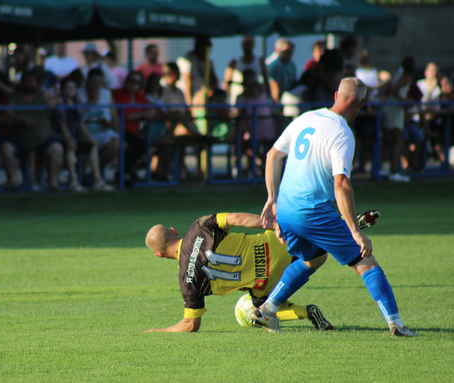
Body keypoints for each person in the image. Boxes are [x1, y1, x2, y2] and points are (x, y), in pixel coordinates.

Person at [258, 77, 418, 337]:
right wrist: (356, 231)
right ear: (362, 104)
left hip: (286, 211)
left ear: (336, 95)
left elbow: (273, 155)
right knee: (366, 261)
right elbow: (341, 185)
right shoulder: (342, 133)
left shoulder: (305, 118)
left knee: (313, 258)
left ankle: (266, 310)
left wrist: (272, 198)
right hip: (311, 211)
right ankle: (397, 324)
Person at [143, 212, 334, 333]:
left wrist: (158, 330)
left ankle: (305, 312)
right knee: (315, 250)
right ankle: (338, 227)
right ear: (174, 231)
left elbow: (190, 325)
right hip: (276, 246)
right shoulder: (199, 227)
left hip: (266, 283)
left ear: (158, 255)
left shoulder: (188, 280)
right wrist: (275, 225)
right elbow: (237, 219)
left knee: (261, 310)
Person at [0, 70, 64, 191]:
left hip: (43, 138)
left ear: (37, 83)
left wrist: (53, 101)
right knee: (6, 148)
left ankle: (53, 183)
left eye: (32, 81)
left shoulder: (44, 95)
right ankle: (14, 180)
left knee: (57, 149)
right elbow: (6, 117)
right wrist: (21, 119)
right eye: (27, 81)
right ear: (22, 83)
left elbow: (59, 99)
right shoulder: (15, 98)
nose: (30, 84)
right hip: (21, 139)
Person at [54, 77, 114, 192]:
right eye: (68, 87)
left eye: (73, 87)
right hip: (63, 138)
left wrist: (90, 139)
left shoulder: (77, 104)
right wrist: (70, 140)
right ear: (62, 90)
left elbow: (80, 123)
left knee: (92, 147)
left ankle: (98, 181)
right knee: (70, 149)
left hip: (76, 138)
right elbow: (62, 124)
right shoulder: (60, 104)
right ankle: (74, 182)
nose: (71, 90)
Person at [381, 55, 417, 182]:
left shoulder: (398, 74)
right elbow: (394, 90)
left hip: (393, 109)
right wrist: (404, 100)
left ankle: (383, 168)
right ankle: (394, 170)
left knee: (389, 140)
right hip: (395, 109)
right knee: (397, 140)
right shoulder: (405, 76)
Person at [222, 36, 271, 105]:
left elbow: (266, 81)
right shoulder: (234, 62)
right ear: (241, 45)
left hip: (255, 101)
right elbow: (226, 83)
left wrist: (268, 98)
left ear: (253, 45)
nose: (247, 46)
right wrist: (226, 100)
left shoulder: (260, 61)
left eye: (249, 44)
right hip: (237, 102)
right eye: (245, 44)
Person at [176, 36, 216, 106]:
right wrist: (189, 102)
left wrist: (210, 90)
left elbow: (213, 80)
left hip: (201, 99)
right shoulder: (189, 58)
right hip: (188, 98)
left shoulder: (208, 62)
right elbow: (187, 81)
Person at [266, 39, 297, 104]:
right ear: (277, 50)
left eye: (290, 52)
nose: (288, 55)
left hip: (287, 100)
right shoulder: (274, 65)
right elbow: (275, 90)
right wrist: (279, 107)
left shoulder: (292, 65)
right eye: (285, 52)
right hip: (274, 104)